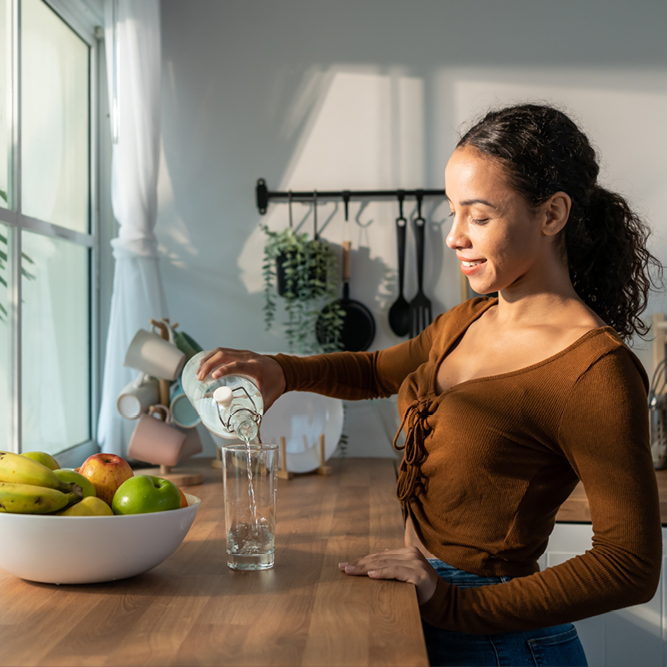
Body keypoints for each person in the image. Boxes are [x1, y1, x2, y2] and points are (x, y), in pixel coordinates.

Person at [197, 103, 664, 667]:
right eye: (452, 212)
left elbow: (629, 565)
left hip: (500, 641)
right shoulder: (469, 319)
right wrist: (282, 371)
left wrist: (453, 604)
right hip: (428, 610)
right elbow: (376, 372)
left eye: (480, 216)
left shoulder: (595, 371)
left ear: (552, 214)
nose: (454, 237)